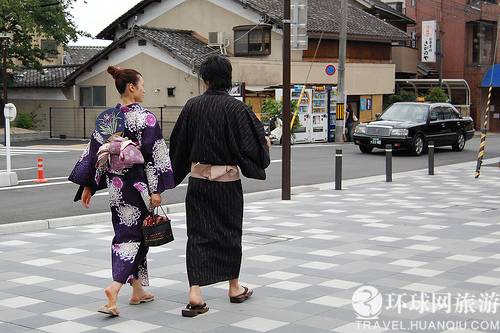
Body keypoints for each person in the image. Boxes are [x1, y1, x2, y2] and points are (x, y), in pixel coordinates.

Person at [169, 55, 271, 318]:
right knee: (229, 232)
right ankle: (234, 287)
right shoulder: (238, 109)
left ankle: (195, 293)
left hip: (199, 181)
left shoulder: (192, 106)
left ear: (205, 79)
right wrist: (263, 151)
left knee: (198, 234)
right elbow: (256, 145)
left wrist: (166, 179)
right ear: (228, 78)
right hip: (227, 182)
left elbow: (178, 146)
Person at [69, 66, 175, 316]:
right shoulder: (145, 118)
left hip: (116, 187)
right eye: (142, 84)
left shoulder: (109, 117)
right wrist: (156, 189)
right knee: (134, 238)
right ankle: (114, 288)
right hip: (138, 186)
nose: (145, 89)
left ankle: (137, 291)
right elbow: (153, 155)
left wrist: (89, 185)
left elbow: (94, 152)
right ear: (132, 87)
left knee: (130, 232)